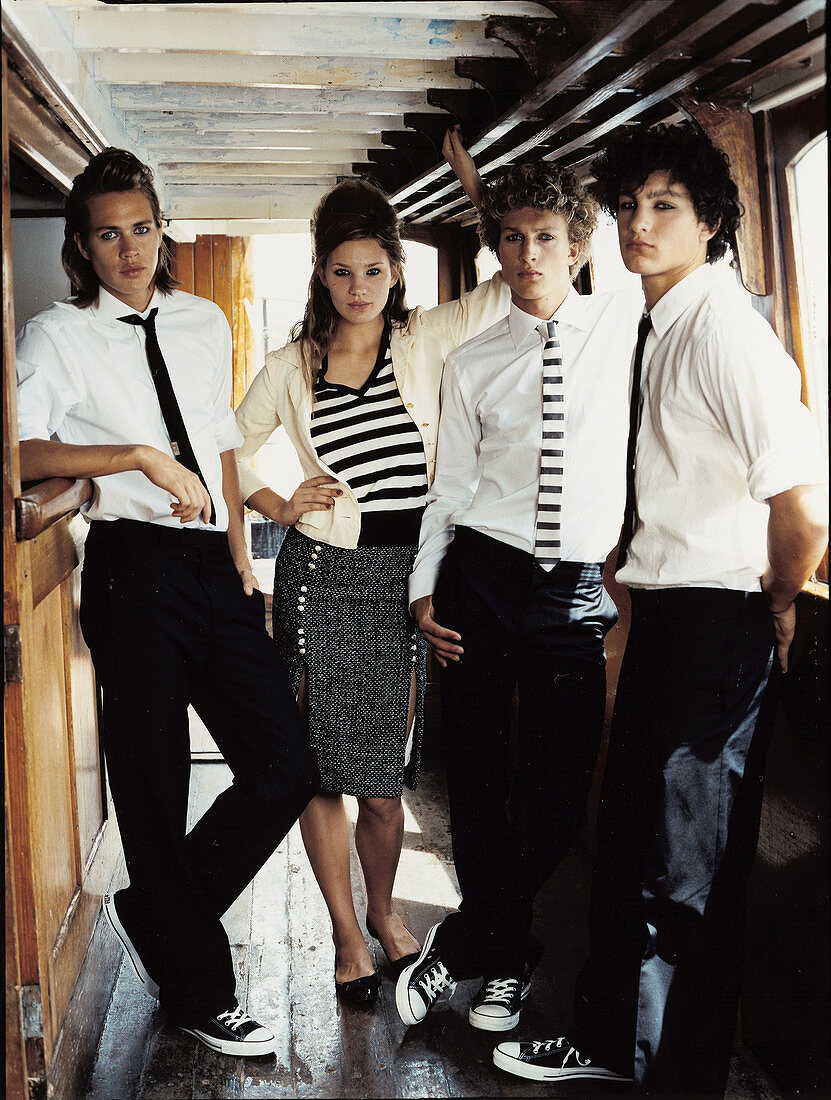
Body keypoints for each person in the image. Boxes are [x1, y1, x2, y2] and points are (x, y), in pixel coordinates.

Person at [492, 123, 828, 1093]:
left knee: (684, 874)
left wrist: (774, 598)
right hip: (667, 614)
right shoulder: (663, 318)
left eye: (665, 206)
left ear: (711, 222)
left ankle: (671, 1077)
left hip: (720, 624)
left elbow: (802, 505)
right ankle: (608, 1043)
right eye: (628, 203)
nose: (639, 222)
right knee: (632, 839)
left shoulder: (728, 332)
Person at [15, 148, 317, 1057]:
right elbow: (21, 455)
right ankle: (199, 991)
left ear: (161, 233)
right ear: (82, 245)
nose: (130, 248)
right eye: (109, 233)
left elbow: (221, 447)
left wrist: (239, 564)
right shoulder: (53, 337)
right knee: (154, 787)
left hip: (210, 571)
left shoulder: (199, 322)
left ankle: (160, 907)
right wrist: (135, 460)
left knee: (283, 764)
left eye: (142, 228)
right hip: (131, 567)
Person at [233, 134, 511, 1006]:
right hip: (326, 577)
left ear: (397, 274)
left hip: (415, 575)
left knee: (385, 781)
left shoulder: (426, 339)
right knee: (322, 768)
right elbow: (224, 451)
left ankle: (386, 911)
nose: (359, 288)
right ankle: (349, 935)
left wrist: (475, 188)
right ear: (323, 275)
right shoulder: (291, 367)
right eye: (343, 272)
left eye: (375, 272)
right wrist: (278, 505)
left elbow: (509, 279)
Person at [395, 159, 643, 1033]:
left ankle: (476, 940)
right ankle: (505, 956)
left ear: (579, 247)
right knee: (473, 771)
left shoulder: (623, 331)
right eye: (511, 237)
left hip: (574, 586)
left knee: (558, 786)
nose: (528, 254)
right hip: (481, 578)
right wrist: (425, 593)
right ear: (493, 249)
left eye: (546, 237)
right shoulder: (470, 362)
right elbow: (449, 487)